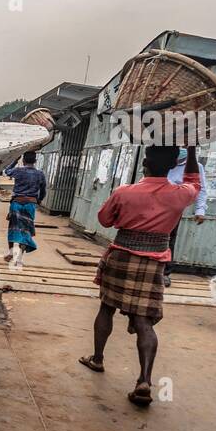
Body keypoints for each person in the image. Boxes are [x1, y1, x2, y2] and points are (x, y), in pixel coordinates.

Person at [78, 143, 200, 406]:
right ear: (171, 166)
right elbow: (194, 181)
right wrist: (191, 151)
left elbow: (104, 220)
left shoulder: (125, 192)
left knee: (106, 307)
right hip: (153, 262)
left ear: (144, 164)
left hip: (121, 256)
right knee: (144, 322)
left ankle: (97, 359)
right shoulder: (181, 193)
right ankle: (144, 379)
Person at [163, 148, 210, 287]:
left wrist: (200, 210)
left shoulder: (195, 166)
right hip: (154, 202)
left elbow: (200, 188)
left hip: (174, 209)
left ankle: (164, 273)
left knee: (168, 240)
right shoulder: (164, 160)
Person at [4, 151, 47, 268]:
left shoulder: (18, 171)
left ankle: (11, 252)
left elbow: (6, 171)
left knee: (13, 228)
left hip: (16, 203)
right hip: (30, 204)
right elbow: (43, 190)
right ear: (35, 161)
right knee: (25, 230)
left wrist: (14, 160)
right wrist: (39, 200)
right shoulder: (40, 174)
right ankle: (19, 259)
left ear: (23, 161)